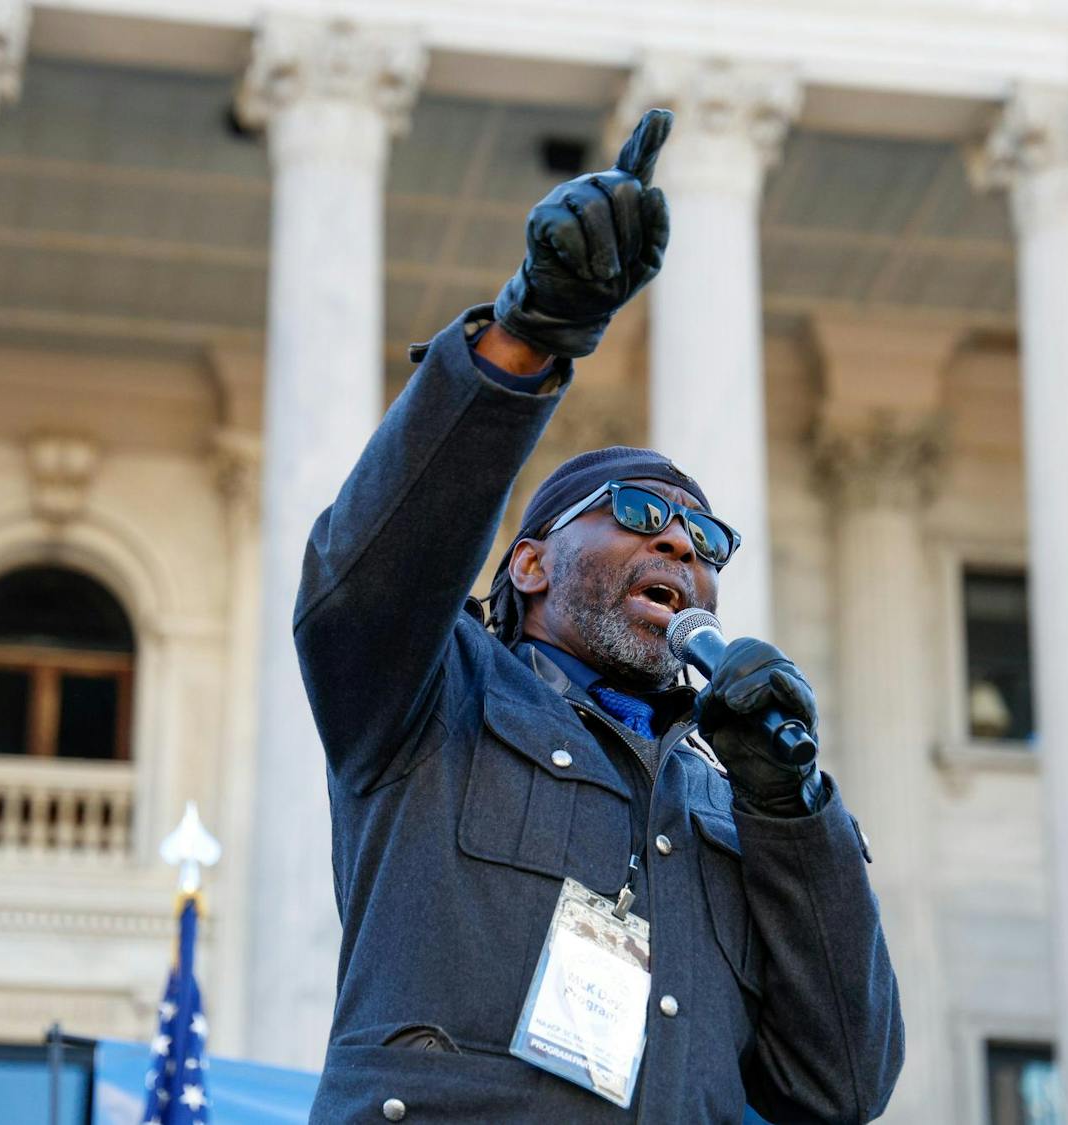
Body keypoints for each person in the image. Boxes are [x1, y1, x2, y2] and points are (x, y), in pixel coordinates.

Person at [294, 108, 902, 1123]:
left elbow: (841, 1083)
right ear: (529, 564)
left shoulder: (730, 807)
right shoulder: (430, 699)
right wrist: (528, 337)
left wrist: (794, 812)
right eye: (639, 515)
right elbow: (369, 572)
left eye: (708, 544)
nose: (680, 547)